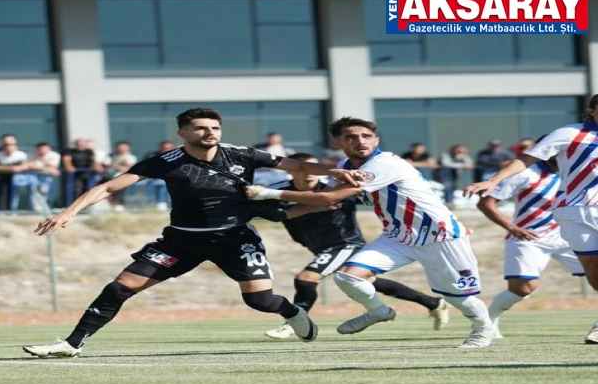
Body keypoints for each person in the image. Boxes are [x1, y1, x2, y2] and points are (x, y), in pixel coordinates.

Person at [23, 107, 357, 357]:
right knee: (120, 287)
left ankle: (293, 312)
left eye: (214, 127)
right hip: (181, 241)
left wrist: (339, 172)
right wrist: (69, 212)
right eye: (200, 128)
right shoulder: (165, 161)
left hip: (235, 238)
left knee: (260, 301)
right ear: (183, 132)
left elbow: (297, 166)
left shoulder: (241, 154)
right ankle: (71, 344)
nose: (210, 132)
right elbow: (111, 186)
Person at [246, 117, 495, 349]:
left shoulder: (383, 164)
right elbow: (324, 202)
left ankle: (483, 329)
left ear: (376, 140)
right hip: (398, 235)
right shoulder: (345, 166)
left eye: (367, 136)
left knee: (457, 297)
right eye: (351, 137)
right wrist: (281, 214)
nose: (361, 141)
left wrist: (268, 193)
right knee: (347, 276)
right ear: (338, 142)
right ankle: (379, 311)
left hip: (439, 235)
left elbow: (330, 196)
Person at [257, 153, 449, 340]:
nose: (310, 171)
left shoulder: (335, 188)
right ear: (293, 170)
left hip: (346, 243)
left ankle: (293, 324)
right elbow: (268, 213)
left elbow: (370, 193)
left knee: (306, 279)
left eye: (314, 166)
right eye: (305, 167)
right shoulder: (278, 190)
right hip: (318, 246)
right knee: (369, 282)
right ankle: (432, 302)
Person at [465, 94, 598, 344]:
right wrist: (493, 180)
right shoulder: (568, 136)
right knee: (525, 288)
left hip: (559, 232)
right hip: (544, 230)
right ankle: (488, 320)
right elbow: (522, 161)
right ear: (591, 110)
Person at [476, 155, 584, 338]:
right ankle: (490, 319)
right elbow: (486, 203)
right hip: (529, 238)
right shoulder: (525, 173)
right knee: (522, 289)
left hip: (566, 235)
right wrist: (512, 228)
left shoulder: (576, 171)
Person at [0, 140, 28, 210]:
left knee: (14, 194)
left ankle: (13, 209)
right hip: (0, 176)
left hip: (16, 177)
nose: (9, 150)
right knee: (0, 193)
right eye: (7, 148)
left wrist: (16, 168)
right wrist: (11, 168)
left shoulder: (21, 155)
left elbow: (25, 166)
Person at [103, 141, 138, 211]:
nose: (121, 149)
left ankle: (119, 204)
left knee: (119, 189)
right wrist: (119, 166)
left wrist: (115, 166)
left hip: (123, 177)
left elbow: (129, 166)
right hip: (108, 177)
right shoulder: (111, 156)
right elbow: (106, 164)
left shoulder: (130, 157)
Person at [143, 141, 177, 210]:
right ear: (160, 148)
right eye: (165, 148)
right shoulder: (152, 156)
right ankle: (161, 202)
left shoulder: (180, 156)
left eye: (170, 148)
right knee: (161, 181)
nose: (167, 150)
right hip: (154, 178)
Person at [27, 142, 61, 211]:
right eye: (40, 149)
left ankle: (45, 207)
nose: (42, 151)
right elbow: (28, 166)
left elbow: (53, 166)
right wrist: (47, 168)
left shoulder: (54, 155)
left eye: (44, 149)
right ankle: (35, 208)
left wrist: (36, 166)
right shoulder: (30, 154)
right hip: (33, 176)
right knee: (34, 192)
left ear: (49, 149)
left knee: (45, 191)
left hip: (47, 177)